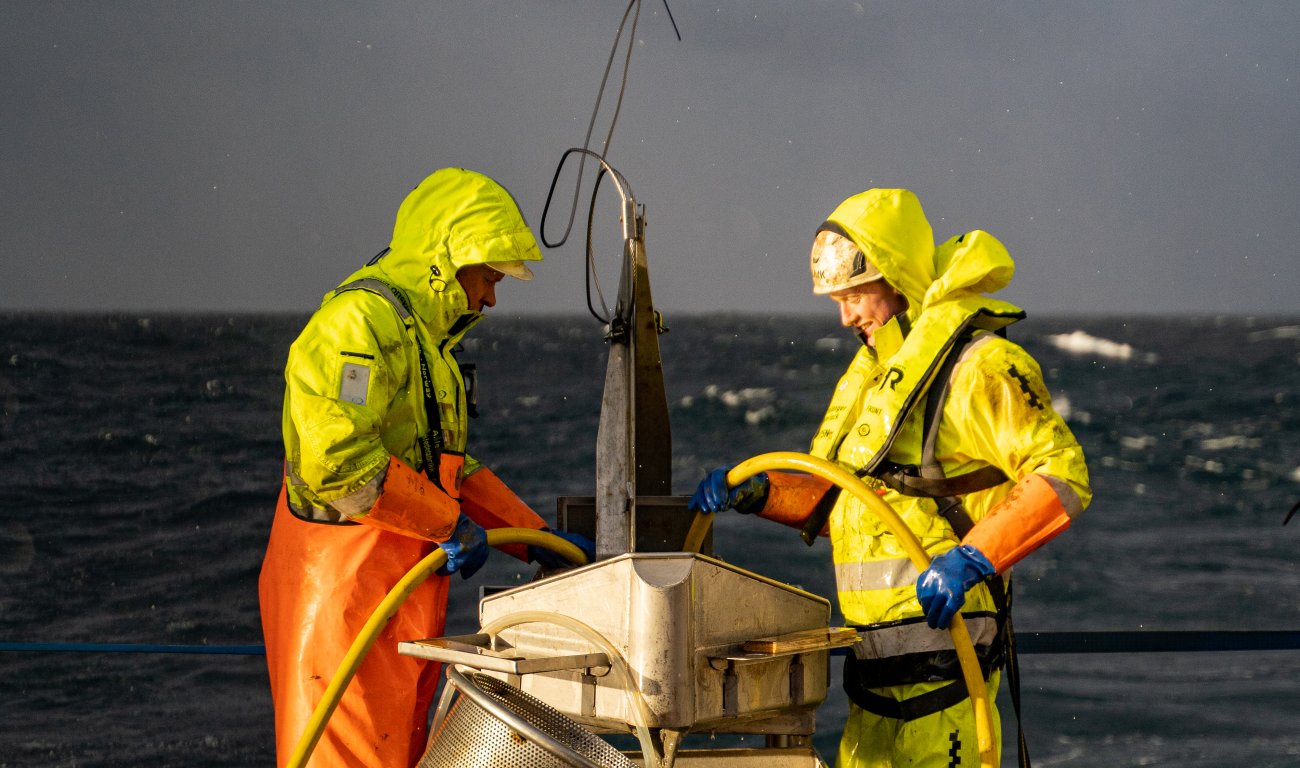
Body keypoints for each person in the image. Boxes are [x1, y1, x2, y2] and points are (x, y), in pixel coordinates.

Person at [690, 188, 1090, 767]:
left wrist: (971, 558)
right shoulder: (877, 379)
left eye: (855, 294)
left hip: (947, 682)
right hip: (872, 684)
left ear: (898, 278)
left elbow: (1062, 475)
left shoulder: (980, 368)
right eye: (838, 299)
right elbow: (852, 504)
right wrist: (758, 492)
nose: (846, 316)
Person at [259, 167, 594, 767]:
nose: (491, 296)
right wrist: (447, 525)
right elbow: (338, 465)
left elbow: (448, 470)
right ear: (447, 258)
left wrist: (533, 538)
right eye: (488, 277)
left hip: (398, 599)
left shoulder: (424, 345)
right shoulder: (357, 326)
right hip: (345, 602)